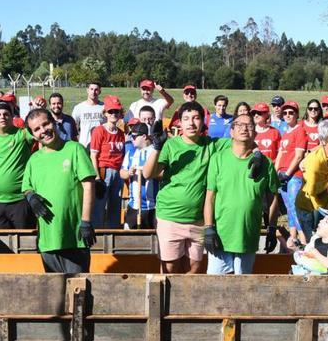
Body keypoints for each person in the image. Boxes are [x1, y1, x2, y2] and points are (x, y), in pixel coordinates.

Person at [143, 101, 227, 274]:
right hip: (170, 216)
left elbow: (240, 143)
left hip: (198, 220)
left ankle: (186, 301)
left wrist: (256, 152)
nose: (191, 123)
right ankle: (167, 301)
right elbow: (148, 174)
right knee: (170, 268)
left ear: (203, 121)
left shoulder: (211, 145)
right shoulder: (171, 145)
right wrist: (156, 147)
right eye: (186, 118)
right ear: (179, 122)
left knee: (194, 268)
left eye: (196, 118)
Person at [23, 108, 97, 273]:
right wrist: (31, 197)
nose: (43, 131)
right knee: (55, 293)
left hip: (74, 237)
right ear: (33, 135)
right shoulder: (34, 159)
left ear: (54, 122)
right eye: (37, 129)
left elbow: (89, 185)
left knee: (77, 291)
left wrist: (85, 222)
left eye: (46, 124)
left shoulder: (74, 149)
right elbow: (27, 187)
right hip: (48, 240)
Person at [204, 114, 280, 274]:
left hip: (248, 235)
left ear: (255, 133)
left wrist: (272, 228)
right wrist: (208, 228)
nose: (244, 128)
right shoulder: (218, 159)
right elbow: (210, 197)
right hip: (221, 236)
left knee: (243, 288)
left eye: (249, 125)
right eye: (239, 125)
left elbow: (272, 199)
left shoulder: (266, 164)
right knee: (214, 288)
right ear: (231, 131)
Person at [0, 101, 34, 228]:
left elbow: (39, 130)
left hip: (20, 200)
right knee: (0, 244)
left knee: (24, 243)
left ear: (12, 117)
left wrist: (37, 109)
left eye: (6, 114)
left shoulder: (23, 135)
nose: (2, 117)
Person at [90, 96, 126, 228]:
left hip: (118, 172)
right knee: (99, 206)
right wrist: (97, 177)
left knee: (115, 206)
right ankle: (97, 236)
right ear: (105, 113)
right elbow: (93, 155)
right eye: (110, 111)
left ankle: (113, 234)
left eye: (116, 111)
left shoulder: (121, 133)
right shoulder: (99, 131)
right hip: (104, 171)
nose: (113, 114)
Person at [274, 103, 307, 249]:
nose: (287, 115)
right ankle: (293, 238)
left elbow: (299, 156)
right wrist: (275, 173)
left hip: (293, 175)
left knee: (295, 206)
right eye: (285, 112)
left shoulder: (300, 130)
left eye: (291, 112)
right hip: (282, 174)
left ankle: (304, 240)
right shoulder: (286, 132)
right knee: (289, 208)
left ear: (297, 115)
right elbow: (280, 154)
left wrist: (287, 174)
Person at [120, 123, 158, 229]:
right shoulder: (131, 153)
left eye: (135, 136)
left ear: (144, 136)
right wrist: (128, 173)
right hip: (134, 206)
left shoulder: (155, 152)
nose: (132, 139)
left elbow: (162, 174)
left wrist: (149, 172)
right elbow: (122, 172)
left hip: (152, 207)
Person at [72, 81, 104, 149]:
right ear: (87, 90)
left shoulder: (104, 107)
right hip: (84, 145)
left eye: (96, 90)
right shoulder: (79, 108)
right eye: (91, 89)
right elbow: (74, 128)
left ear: (99, 91)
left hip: (101, 145)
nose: (93, 92)